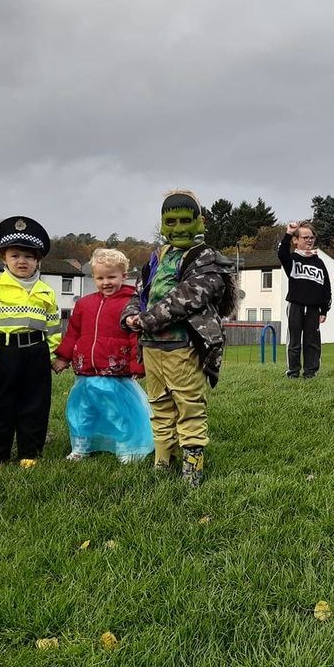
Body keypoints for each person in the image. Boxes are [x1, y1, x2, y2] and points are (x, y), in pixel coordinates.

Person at [122, 190, 238, 488]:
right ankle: (163, 458)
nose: (178, 227)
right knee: (159, 404)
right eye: (170, 220)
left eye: (185, 220)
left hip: (184, 346)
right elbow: (140, 292)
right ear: (162, 224)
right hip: (151, 347)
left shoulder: (207, 259)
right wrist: (130, 315)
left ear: (201, 221)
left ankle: (192, 465)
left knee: (188, 405)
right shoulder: (156, 258)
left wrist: (144, 320)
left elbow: (186, 298)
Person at [0, 216, 62, 469]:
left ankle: (30, 453)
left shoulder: (46, 291)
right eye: (15, 255)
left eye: (29, 256)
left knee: (36, 402)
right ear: (4, 258)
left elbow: (53, 325)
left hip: (37, 351)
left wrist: (56, 354)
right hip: (5, 350)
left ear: (38, 260)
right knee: (3, 402)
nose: (22, 261)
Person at [53, 248, 153, 463]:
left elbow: (135, 337)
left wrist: (137, 365)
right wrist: (63, 357)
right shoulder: (84, 304)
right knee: (82, 411)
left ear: (123, 276)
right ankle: (81, 445)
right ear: (93, 277)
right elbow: (73, 334)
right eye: (100, 278)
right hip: (86, 373)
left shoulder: (130, 304)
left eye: (111, 277)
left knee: (118, 413)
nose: (106, 282)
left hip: (115, 373)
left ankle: (126, 446)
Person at [277, 220, 332, 378]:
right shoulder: (292, 259)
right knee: (294, 341)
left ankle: (311, 372)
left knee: (312, 342)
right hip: (295, 306)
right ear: (296, 240)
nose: (309, 240)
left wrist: (324, 310)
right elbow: (282, 254)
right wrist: (288, 233)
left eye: (312, 237)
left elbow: (325, 287)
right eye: (305, 237)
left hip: (314, 309)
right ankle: (293, 372)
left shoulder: (319, 262)